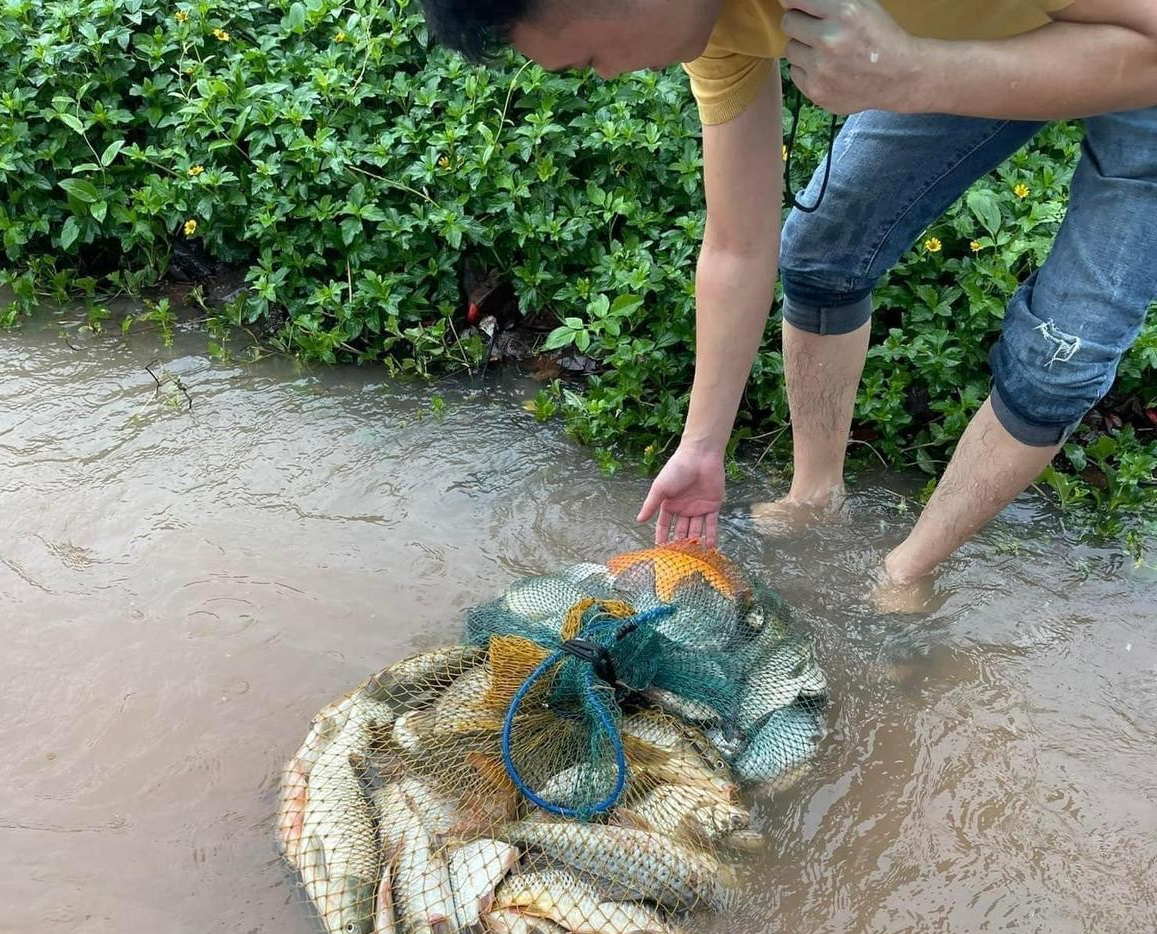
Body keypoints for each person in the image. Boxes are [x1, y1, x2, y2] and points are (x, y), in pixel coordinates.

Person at [421, 0, 1157, 596]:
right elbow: (738, 245)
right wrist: (702, 447)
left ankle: (907, 574)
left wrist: (918, 74)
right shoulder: (704, 23)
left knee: (1058, 355)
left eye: (587, 59)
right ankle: (815, 497)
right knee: (823, 252)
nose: (607, 76)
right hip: (958, 36)